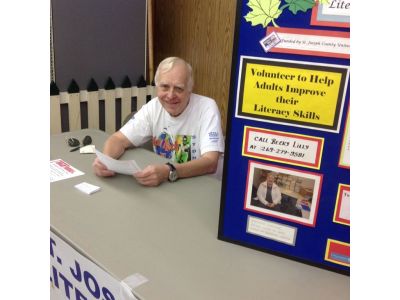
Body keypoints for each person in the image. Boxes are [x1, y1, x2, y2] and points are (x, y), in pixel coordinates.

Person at [93, 57, 225, 186]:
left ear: (190, 89)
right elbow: (118, 139)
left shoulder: (207, 107)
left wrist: (169, 171)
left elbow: (210, 162)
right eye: (165, 87)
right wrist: (106, 160)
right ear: (156, 87)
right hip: (170, 185)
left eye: (178, 88)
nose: (170, 95)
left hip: (205, 187)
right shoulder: (153, 107)